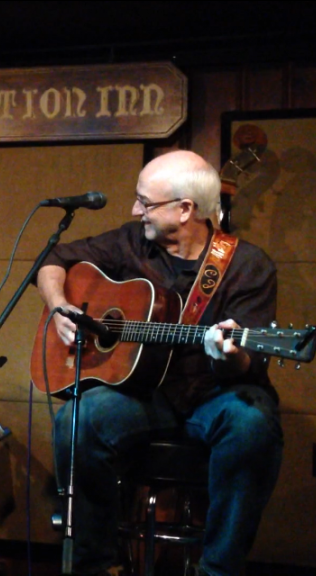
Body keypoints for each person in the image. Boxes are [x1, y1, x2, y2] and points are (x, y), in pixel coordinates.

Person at [36, 150, 283, 576]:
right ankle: (94, 564)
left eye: (145, 203)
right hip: (144, 394)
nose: (136, 211)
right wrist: (60, 307)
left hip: (214, 392)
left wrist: (229, 355)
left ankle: (218, 569)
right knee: (78, 420)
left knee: (253, 425)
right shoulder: (131, 241)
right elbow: (53, 261)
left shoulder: (247, 265)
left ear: (186, 209)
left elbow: (247, 364)